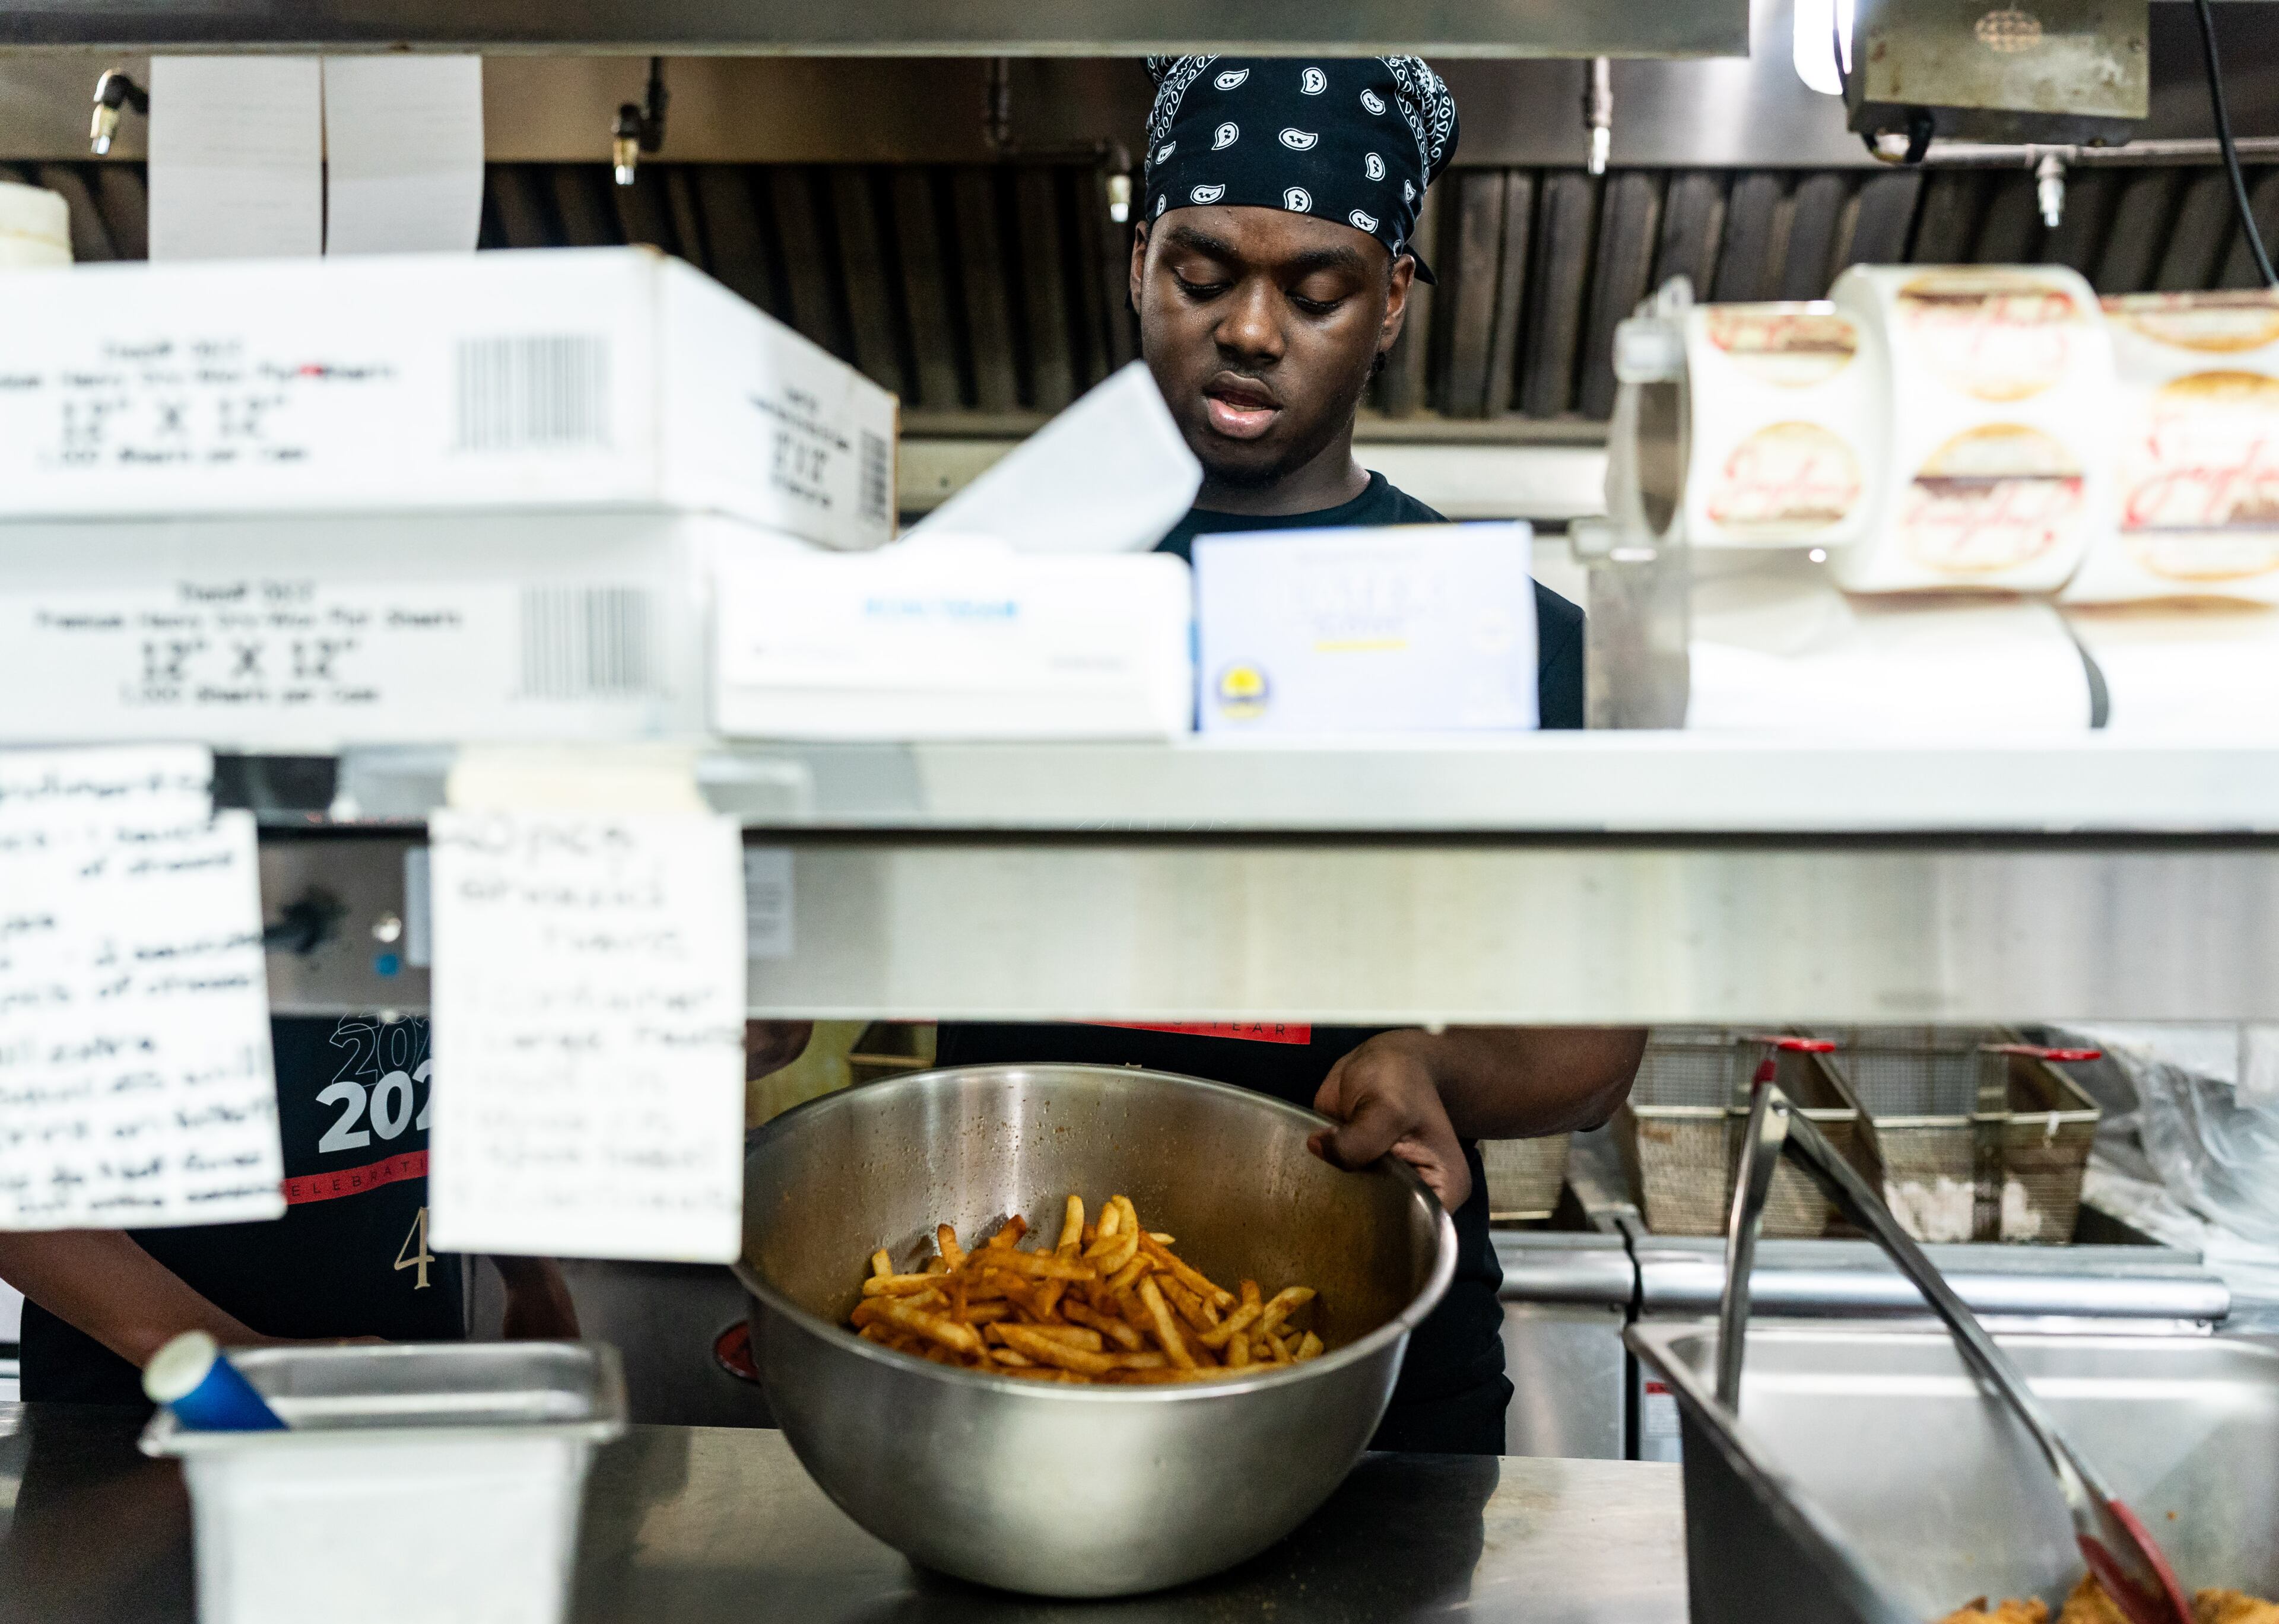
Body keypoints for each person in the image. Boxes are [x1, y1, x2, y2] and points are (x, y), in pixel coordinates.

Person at [933, 58, 1646, 1455]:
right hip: (1013, 1327)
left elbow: (1591, 1045)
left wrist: (1443, 1064)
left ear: (1388, 300)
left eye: (1314, 287)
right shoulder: (984, 585)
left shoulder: (1511, 636)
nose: (1250, 328)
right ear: (1139, 261)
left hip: (1371, 1354)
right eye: (1201, 273)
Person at [0, 1014, 582, 1404]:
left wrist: (532, 1276)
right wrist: (254, 1367)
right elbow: (19, 1217)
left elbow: (449, 1069)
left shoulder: (404, 852)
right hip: (150, 1418)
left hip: (402, 1383)